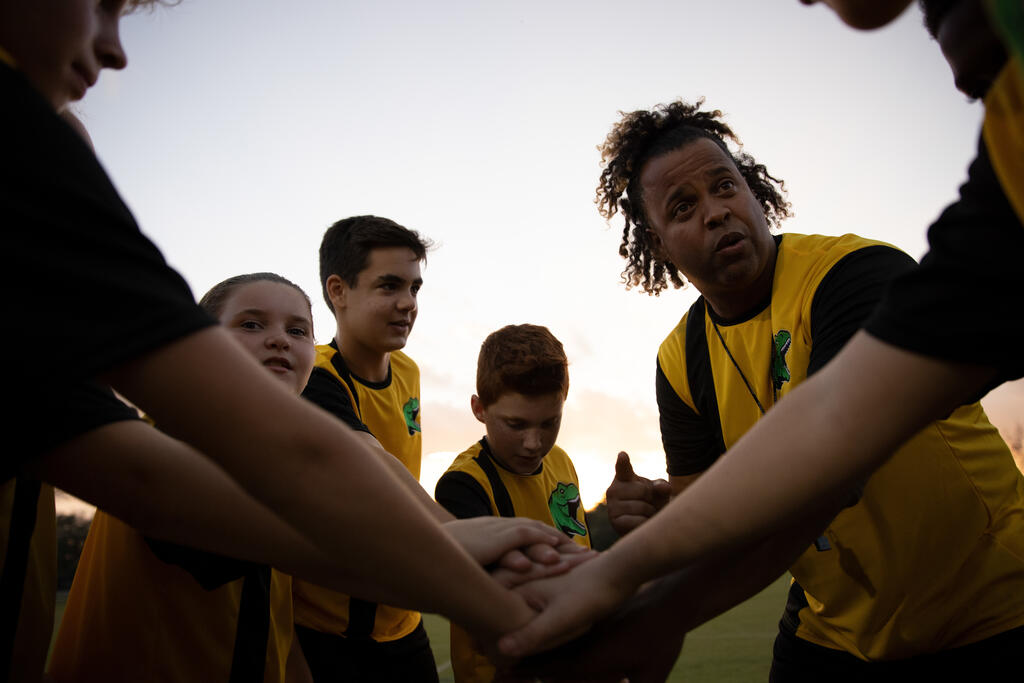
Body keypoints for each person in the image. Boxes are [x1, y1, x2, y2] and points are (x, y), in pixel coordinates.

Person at [0, 4, 569, 681]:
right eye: (101, 4)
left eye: (296, 330)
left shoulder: (403, 379)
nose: (116, 50)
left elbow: (282, 595)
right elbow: (302, 479)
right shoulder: (198, 437)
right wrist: (462, 561)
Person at [501, 97, 1024, 682]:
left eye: (725, 186)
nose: (716, 212)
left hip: (991, 607)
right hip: (834, 628)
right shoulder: (680, 359)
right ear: (658, 245)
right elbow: (714, 525)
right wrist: (666, 514)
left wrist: (647, 597)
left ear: (754, 192)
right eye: (683, 207)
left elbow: (829, 465)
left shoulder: (851, 272)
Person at [49, 273, 319, 683]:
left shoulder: (261, 451)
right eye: (251, 324)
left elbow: (270, 617)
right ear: (201, 343)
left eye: (297, 331)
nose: (280, 339)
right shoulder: (179, 434)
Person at [435, 324, 593, 683]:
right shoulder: (463, 484)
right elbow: (498, 598)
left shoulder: (561, 462)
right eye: (516, 425)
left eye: (549, 423)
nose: (534, 443)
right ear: (479, 408)